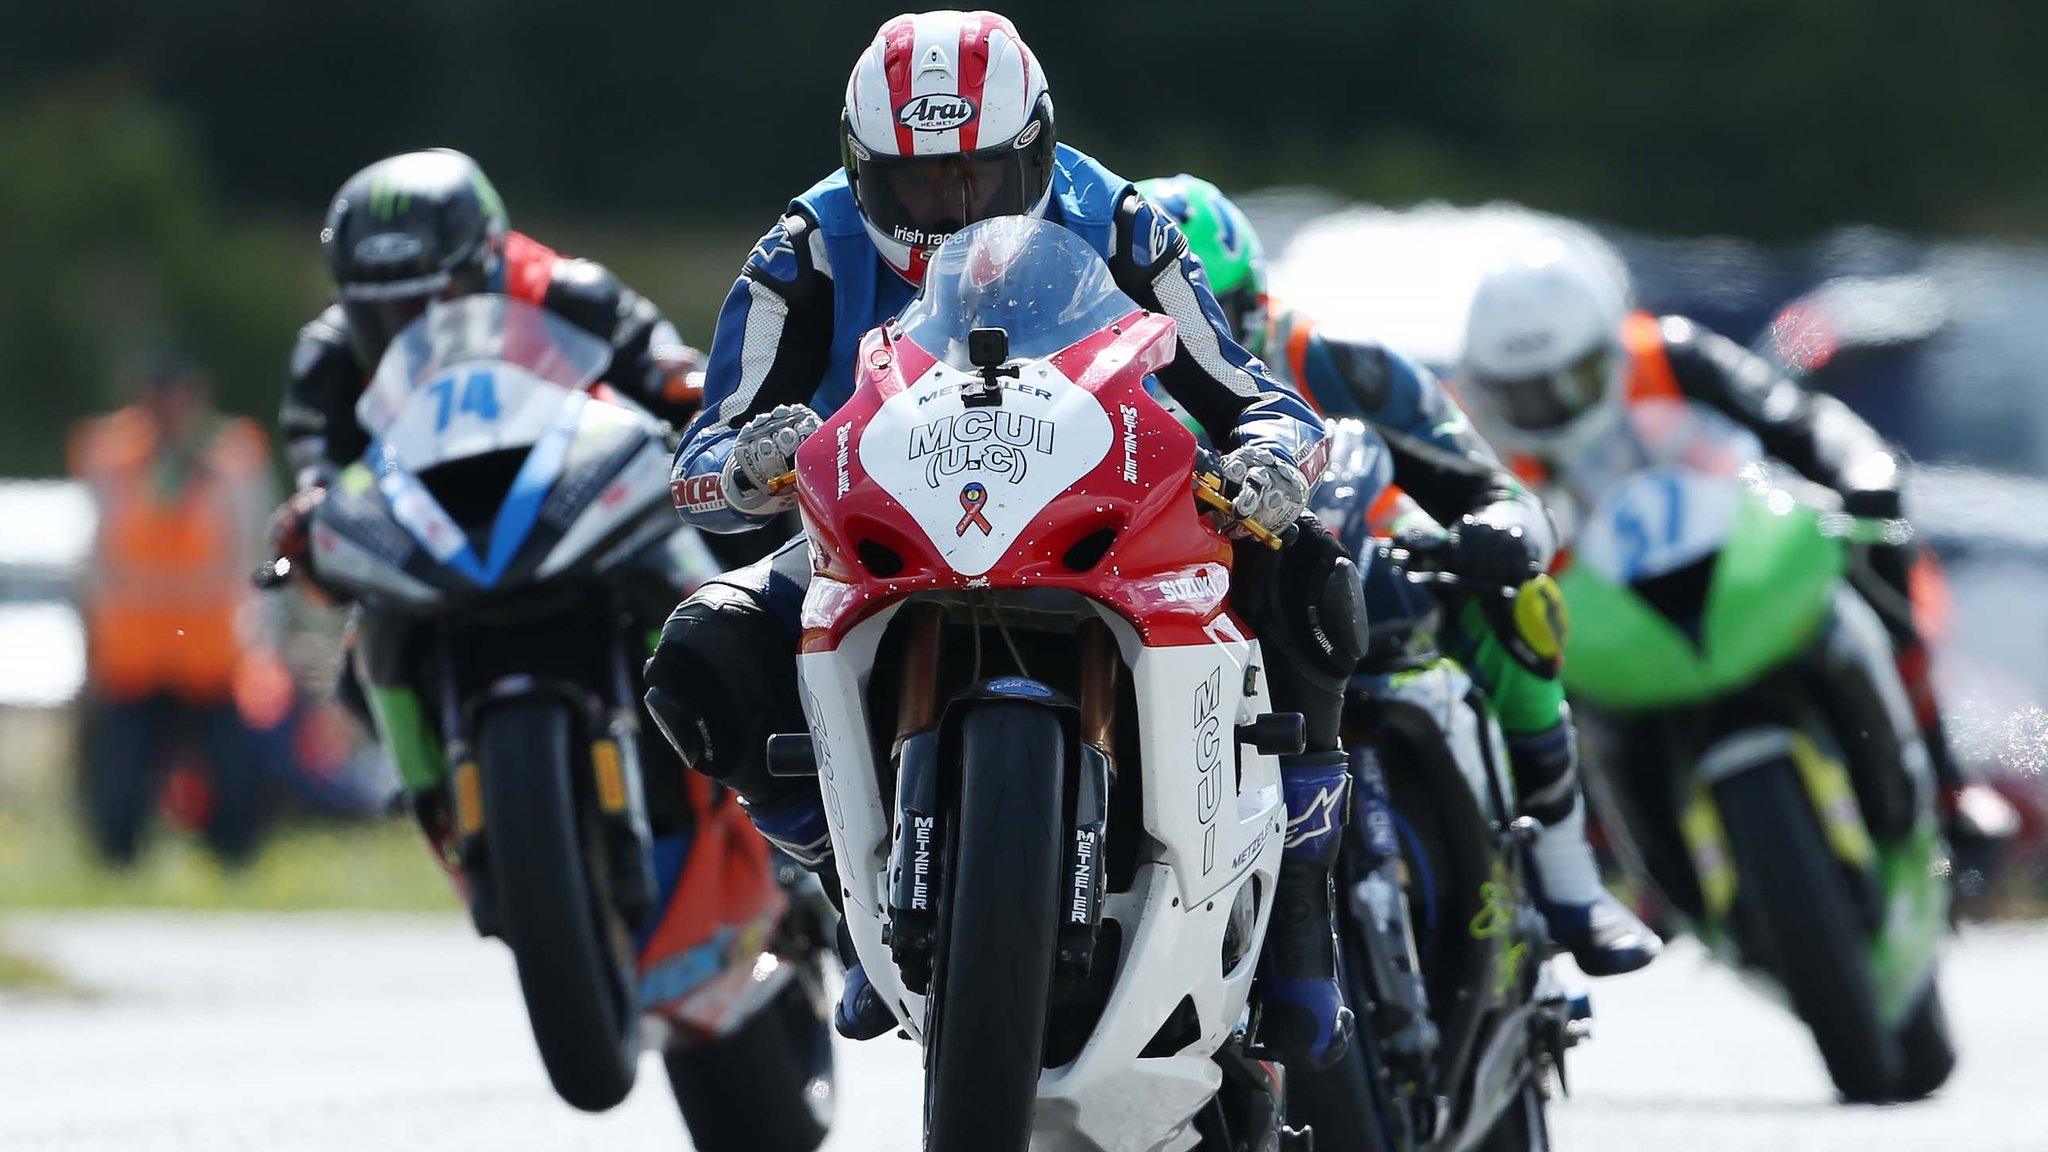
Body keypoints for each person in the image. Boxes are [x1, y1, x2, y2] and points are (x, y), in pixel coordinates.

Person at [645, 11, 1381, 1070]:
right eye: (913, 184)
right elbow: (702, 456)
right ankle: (844, 887)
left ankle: (1300, 912)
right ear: (862, 169)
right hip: (883, 516)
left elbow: (1249, 392)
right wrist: (753, 460)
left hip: (1101, 497)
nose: (947, 207)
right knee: (699, 654)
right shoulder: (801, 246)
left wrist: (1266, 459)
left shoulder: (1118, 219)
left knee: (1308, 564)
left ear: (1032, 152)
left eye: (977, 177)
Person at [1137, 174, 1659, 975]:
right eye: (1158, 321)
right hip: (1195, 613)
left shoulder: (1337, 361)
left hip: (1362, 567)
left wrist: (1500, 532)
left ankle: (1570, 877)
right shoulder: (1099, 394)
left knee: (1518, 600)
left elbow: (1490, 483)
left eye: (1208, 311)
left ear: (1250, 302)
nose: (1189, 341)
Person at [1457, 236, 2016, 853]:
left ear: (1610, 344)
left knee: (1875, 548)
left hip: (1741, 563)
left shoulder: (1671, 354)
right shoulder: (1473, 439)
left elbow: (1796, 419)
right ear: (1490, 389)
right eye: (1527, 395)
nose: (1554, 406)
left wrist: (1860, 470)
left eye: (1574, 379)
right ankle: (1603, 859)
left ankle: (1946, 781)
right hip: (1603, 628)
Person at [69, 353, 287, 867]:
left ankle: (234, 862)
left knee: (235, 784)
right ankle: (117, 864)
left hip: (211, 657)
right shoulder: (109, 455)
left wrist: (265, 631)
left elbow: (263, 550)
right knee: (118, 791)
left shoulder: (233, 458)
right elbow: (91, 556)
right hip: (133, 659)